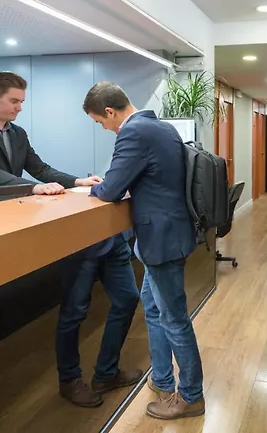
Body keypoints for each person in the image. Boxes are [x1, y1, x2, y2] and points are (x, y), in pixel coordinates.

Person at [0, 71, 142, 407]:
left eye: (22, 101)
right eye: (14, 101)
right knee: (73, 308)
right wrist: (32, 188)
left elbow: (40, 168)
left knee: (123, 298)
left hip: (14, 222)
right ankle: (69, 379)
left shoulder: (17, 134)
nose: (19, 108)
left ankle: (105, 372)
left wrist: (77, 181)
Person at [83, 81, 205, 420]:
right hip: (170, 235)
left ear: (110, 112)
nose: (104, 128)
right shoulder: (162, 127)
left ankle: (192, 396)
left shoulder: (133, 132)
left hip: (161, 241)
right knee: (153, 307)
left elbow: (111, 189)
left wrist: (94, 187)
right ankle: (162, 379)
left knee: (174, 319)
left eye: (100, 122)